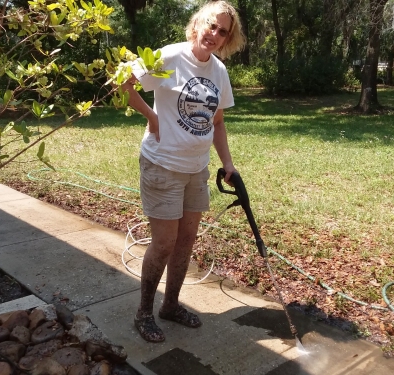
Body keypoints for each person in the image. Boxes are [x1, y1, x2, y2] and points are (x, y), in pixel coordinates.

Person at [122, 0, 246, 343]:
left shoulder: (218, 71)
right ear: (198, 24)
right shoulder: (170, 56)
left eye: (223, 31)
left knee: (186, 240)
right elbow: (124, 83)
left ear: (227, 38)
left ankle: (171, 305)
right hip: (162, 163)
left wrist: (228, 163)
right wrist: (151, 116)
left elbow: (217, 122)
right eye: (211, 26)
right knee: (164, 243)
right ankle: (144, 313)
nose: (215, 34)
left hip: (197, 169)